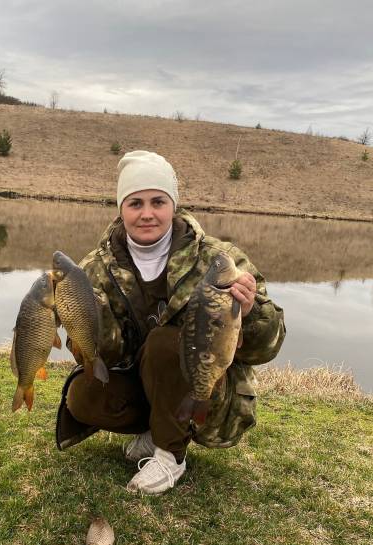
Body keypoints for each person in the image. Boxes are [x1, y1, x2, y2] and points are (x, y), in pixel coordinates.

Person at [55, 150, 285, 495]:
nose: (147, 214)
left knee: (165, 342)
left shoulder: (221, 260)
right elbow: (104, 358)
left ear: (173, 205)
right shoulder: (93, 270)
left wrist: (251, 312)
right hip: (142, 385)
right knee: (82, 395)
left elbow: (268, 346)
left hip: (205, 391)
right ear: (121, 208)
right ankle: (153, 433)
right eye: (135, 203)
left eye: (158, 201)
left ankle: (170, 456)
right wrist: (84, 315)